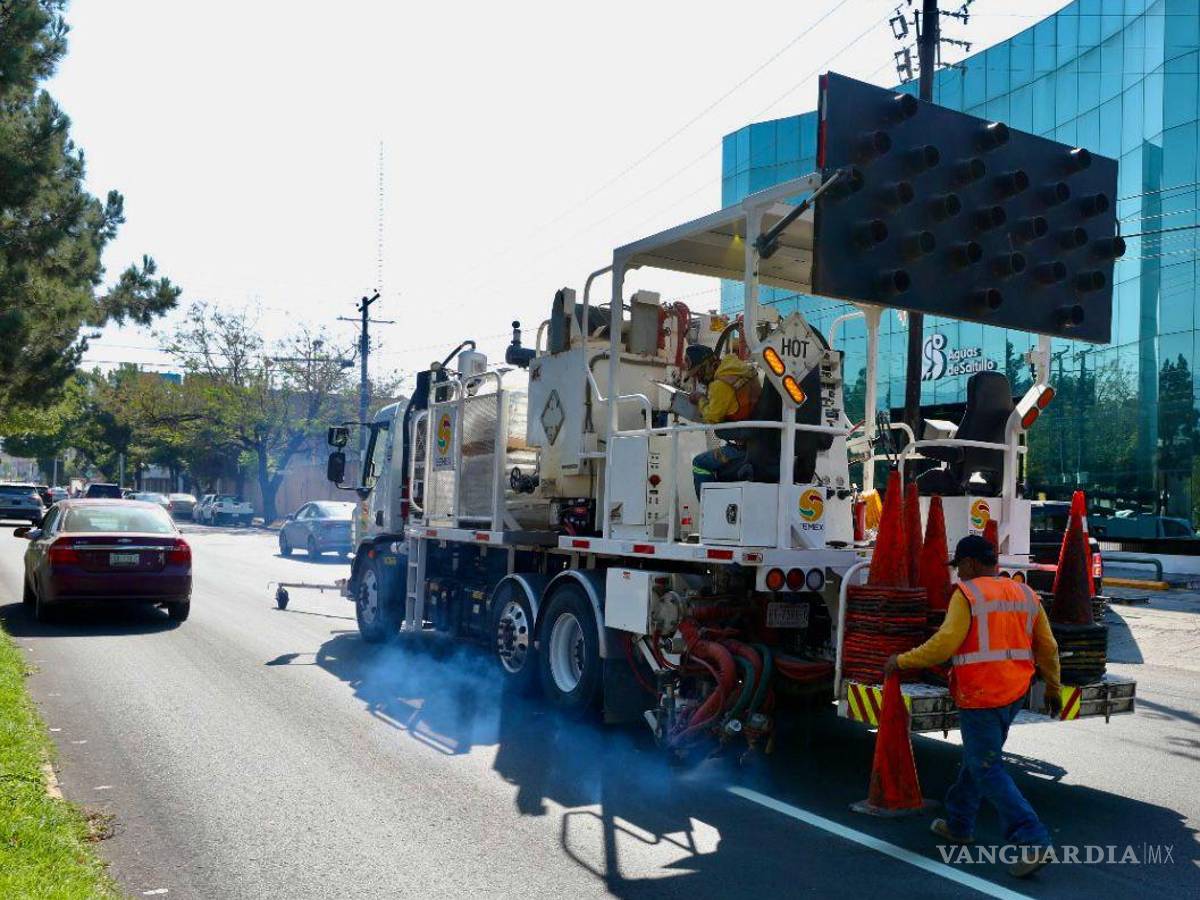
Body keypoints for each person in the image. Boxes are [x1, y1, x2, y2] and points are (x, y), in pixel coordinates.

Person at [883, 534, 1062, 879]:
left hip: (981, 694)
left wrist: (901, 661)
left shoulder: (967, 595)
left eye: (959, 567)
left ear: (969, 563)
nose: (958, 575)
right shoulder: (1025, 593)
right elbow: (1048, 646)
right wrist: (1052, 686)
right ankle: (959, 824)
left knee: (986, 766)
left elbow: (944, 644)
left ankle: (1031, 837)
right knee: (979, 760)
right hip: (1013, 693)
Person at [685, 345, 762, 496]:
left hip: (741, 449)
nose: (698, 378)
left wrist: (700, 399)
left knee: (700, 463)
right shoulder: (737, 369)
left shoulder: (720, 384)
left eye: (698, 373)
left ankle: (709, 513)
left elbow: (711, 417)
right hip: (757, 443)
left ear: (708, 365)